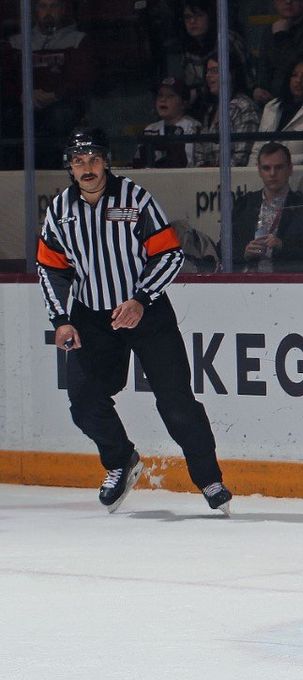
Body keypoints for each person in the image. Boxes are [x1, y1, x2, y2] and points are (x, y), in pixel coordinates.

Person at [34, 129, 232, 514]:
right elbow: (50, 268)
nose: (87, 168)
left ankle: (209, 479)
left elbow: (170, 255)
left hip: (148, 314)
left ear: (106, 161)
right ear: (70, 168)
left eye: (93, 159)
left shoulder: (135, 199)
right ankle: (121, 460)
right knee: (83, 401)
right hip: (92, 318)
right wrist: (61, 319)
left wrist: (141, 299)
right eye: (78, 161)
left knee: (176, 402)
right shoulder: (59, 210)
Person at [2, 0, 95, 169]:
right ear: (34, 11)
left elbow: (80, 79)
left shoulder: (77, 40)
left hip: (61, 104)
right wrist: (23, 94)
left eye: (54, 6)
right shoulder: (17, 42)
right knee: (9, 117)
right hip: (24, 103)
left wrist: (54, 95)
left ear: (63, 9)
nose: (48, 11)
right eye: (43, 6)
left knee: (60, 117)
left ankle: (54, 169)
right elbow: (7, 78)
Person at [232, 143, 303, 272]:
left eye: (279, 167)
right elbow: (224, 247)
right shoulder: (244, 205)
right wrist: (244, 253)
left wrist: (282, 247)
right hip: (247, 283)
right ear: (259, 171)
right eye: (266, 168)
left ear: (290, 169)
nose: (272, 173)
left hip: (288, 284)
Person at [251, 56, 303, 162]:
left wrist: (280, 161)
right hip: (264, 172)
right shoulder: (272, 106)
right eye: (294, 75)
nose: (299, 80)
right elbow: (257, 148)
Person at [253, 0, 303, 106]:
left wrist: (282, 38)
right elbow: (263, 65)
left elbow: (297, 67)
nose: (288, 1)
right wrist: (259, 88)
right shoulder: (271, 30)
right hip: (272, 103)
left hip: (302, 103)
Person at [177, 0, 252, 109]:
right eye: (188, 17)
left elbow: (247, 77)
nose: (192, 21)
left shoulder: (228, 40)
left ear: (210, 17)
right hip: (206, 108)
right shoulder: (186, 50)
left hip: (236, 102)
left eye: (199, 15)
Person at [193, 53, 261, 167]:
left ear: (232, 74)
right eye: (208, 71)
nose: (208, 76)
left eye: (215, 71)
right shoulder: (209, 110)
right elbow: (199, 152)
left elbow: (242, 156)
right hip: (206, 180)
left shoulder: (244, 107)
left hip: (234, 181)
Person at [131, 76, 202, 168]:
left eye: (170, 96)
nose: (163, 99)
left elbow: (196, 164)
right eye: (160, 95)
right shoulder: (150, 129)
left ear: (184, 103)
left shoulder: (193, 127)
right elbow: (139, 163)